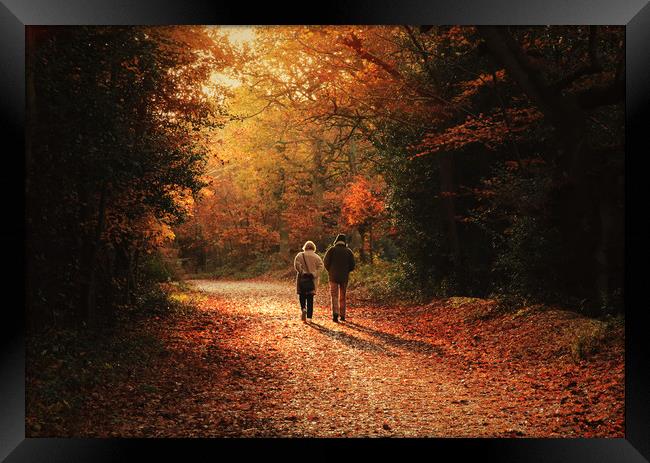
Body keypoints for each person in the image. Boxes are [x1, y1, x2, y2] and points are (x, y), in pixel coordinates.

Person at [323, 233, 356, 323]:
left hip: (333, 276)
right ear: (344, 242)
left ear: (336, 241)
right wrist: (346, 271)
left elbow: (325, 262)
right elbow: (353, 265)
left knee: (334, 295)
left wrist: (330, 270)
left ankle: (335, 314)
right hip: (344, 277)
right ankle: (342, 315)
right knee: (342, 296)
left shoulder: (331, 250)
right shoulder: (348, 251)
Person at [294, 240, 324, 323]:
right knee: (310, 299)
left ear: (305, 247)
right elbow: (321, 267)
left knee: (302, 295)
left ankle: (303, 308)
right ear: (313, 248)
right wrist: (313, 274)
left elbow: (296, 265)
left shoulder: (300, 255)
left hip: (302, 279)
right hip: (312, 281)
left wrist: (302, 272)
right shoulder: (317, 257)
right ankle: (309, 318)